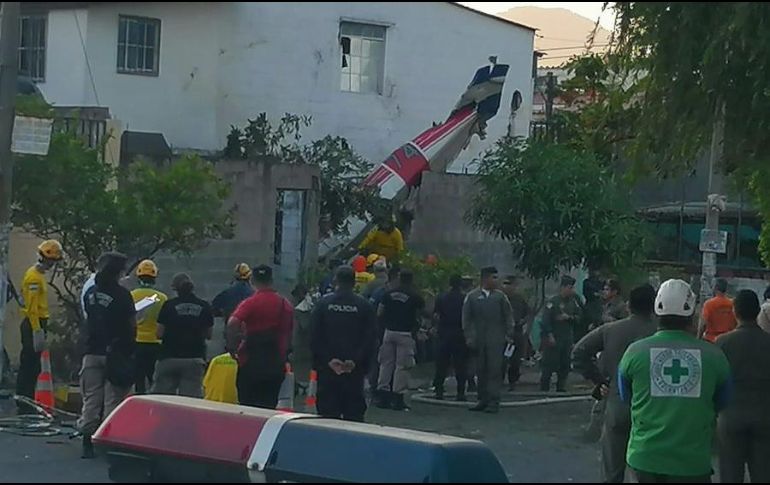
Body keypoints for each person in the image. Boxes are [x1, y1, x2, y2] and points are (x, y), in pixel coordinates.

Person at [618, 279, 731, 483]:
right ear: (692, 314)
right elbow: (722, 402)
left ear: (656, 312)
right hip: (692, 463)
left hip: (645, 459)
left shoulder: (635, 352)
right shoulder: (714, 356)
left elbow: (627, 396)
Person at [571, 284, 657, 483]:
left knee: (612, 471)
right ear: (654, 306)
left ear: (628, 305)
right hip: (652, 410)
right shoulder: (660, 333)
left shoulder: (611, 330)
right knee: (647, 472)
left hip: (617, 405)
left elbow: (578, 352)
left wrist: (599, 380)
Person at [78, 252, 136, 459]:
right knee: (113, 400)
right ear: (119, 272)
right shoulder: (123, 295)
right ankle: (108, 441)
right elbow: (131, 326)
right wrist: (130, 349)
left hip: (92, 350)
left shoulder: (91, 293)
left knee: (91, 399)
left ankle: (87, 441)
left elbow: (88, 318)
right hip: (116, 352)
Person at [715, 290, 770, 483]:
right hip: (765, 416)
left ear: (735, 311)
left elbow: (716, 381)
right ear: (757, 311)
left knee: (730, 475)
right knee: (763, 475)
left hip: (730, 417)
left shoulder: (722, 342)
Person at [310, 266, 376, 422]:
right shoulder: (364, 306)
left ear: (335, 281)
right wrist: (355, 361)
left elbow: (314, 336)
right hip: (354, 372)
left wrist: (327, 360)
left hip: (328, 371)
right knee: (353, 419)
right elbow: (370, 338)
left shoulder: (323, 304)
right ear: (354, 282)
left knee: (327, 419)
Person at [227, 265, 294, 409]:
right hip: (275, 365)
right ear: (271, 280)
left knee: (247, 408)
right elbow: (288, 332)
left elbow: (232, 323)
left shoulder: (250, 303)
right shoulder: (285, 304)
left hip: (250, 364)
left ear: (253, 281)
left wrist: (232, 348)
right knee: (268, 407)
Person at [16, 240, 63, 413]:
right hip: (33, 323)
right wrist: (36, 329)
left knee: (34, 366)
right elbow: (32, 308)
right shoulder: (33, 277)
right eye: (52, 261)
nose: (52, 265)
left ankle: (27, 401)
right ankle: (23, 403)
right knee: (29, 366)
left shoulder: (38, 275)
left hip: (38, 323)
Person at [463, 267, 515, 414]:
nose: (496, 280)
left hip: (496, 340)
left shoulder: (500, 297)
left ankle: (494, 401)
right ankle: (482, 399)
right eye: (493, 277)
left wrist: (509, 334)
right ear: (485, 279)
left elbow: (508, 316)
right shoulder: (472, 297)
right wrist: (469, 337)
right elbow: (466, 319)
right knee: (480, 370)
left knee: (494, 370)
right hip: (479, 340)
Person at [152, 273, 213, 398]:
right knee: (190, 400)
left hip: (169, 357)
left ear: (175, 288)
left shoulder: (168, 305)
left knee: (163, 399)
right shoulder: (204, 306)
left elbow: (159, 333)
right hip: (194, 358)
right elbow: (209, 334)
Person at [375, 270, 425, 411]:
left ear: (399, 278)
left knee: (386, 364)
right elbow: (421, 313)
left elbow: (379, 312)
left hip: (388, 332)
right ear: (411, 280)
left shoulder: (388, 294)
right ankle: (398, 398)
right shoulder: (414, 296)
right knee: (402, 367)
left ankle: (383, 397)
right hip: (405, 333)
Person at [131, 259, 168, 394]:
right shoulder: (162, 298)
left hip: (136, 343)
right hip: (155, 343)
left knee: (138, 379)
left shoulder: (131, 296)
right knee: (154, 380)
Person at [540, 275, 582, 393]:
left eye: (572, 288)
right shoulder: (553, 302)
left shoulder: (573, 302)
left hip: (567, 337)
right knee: (549, 363)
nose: (572, 290)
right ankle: (544, 387)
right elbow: (545, 321)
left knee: (565, 363)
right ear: (563, 287)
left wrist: (569, 317)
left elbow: (579, 318)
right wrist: (550, 335)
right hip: (554, 337)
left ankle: (561, 386)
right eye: (569, 287)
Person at [432, 275, 469, 401]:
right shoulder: (465, 299)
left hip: (444, 332)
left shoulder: (442, 297)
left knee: (441, 363)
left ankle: (439, 390)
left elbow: (436, 315)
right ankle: (461, 392)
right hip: (459, 333)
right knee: (460, 364)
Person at [501, 275, 531, 391]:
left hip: (517, 333)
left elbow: (528, 313)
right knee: (502, 361)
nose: (508, 287)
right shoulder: (500, 298)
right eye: (505, 284)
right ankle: (499, 382)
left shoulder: (519, 299)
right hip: (503, 333)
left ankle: (512, 382)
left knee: (515, 361)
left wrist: (523, 321)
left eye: (510, 284)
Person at [212, 263, 255, 334]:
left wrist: (225, 313)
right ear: (249, 277)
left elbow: (214, 309)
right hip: (249, 332)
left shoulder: (226, 293)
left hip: (231, 332)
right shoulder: (253, 294)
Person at [699, 277, 737, 343]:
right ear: (726, 289)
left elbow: (703, 324)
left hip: (710, 340)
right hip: (728, 340)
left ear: (715, 288)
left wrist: (698, 338)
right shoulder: (732, 304)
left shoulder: (709, 304)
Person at [581, 268, 605, 338]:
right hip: (590, 306)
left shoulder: (600, 282)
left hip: (597, 306)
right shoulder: (587, 282)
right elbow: (587, 293)